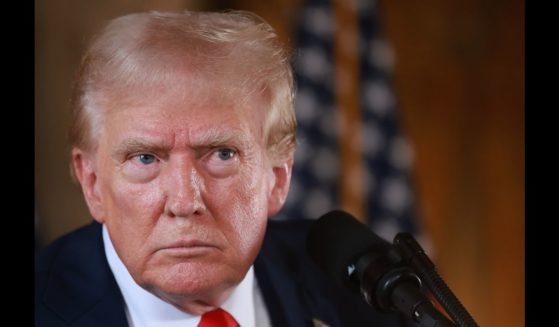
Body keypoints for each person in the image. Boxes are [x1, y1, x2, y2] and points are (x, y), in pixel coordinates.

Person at [35, 10, 413, 327]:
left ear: (278, 177)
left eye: (221, 155)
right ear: (92, 183)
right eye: (145, 159)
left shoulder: (365, 289)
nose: (184, 202)